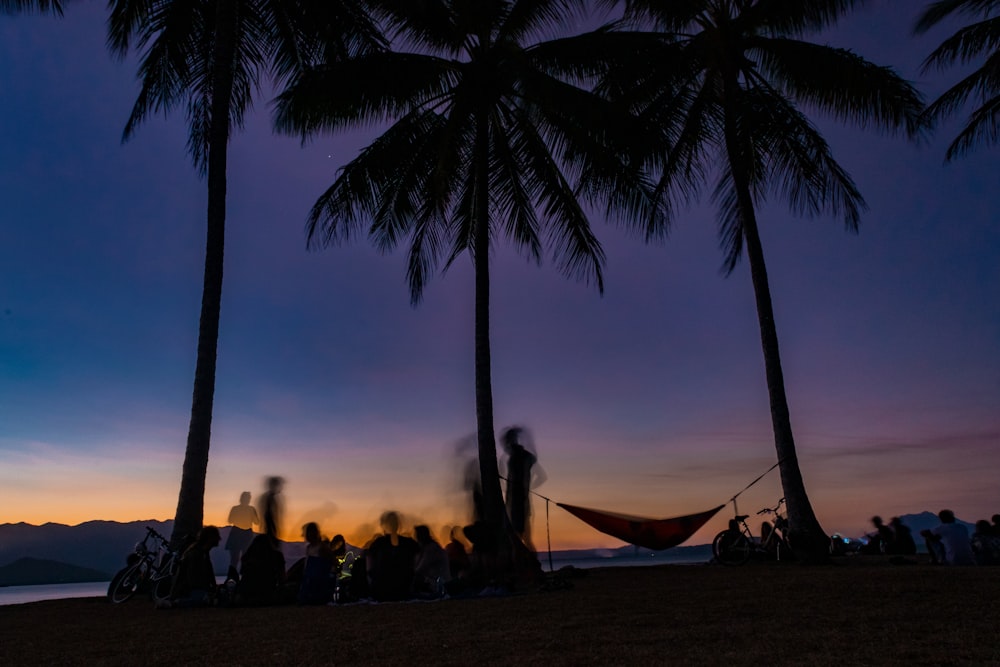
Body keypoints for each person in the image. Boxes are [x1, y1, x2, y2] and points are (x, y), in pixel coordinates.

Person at [501, 426, 546, 550]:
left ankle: (531, 565)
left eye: (507, 441)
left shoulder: (519, 456)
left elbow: (542, 476)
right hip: (517, 501)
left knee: (520, 538)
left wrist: (525, 487)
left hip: (519, 502)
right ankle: (531, 565)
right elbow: (541, 476)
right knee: (523, 538)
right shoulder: (521, 456)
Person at [366, 511, 419, 602]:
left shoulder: (379, 543)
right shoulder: (408, 543)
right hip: (395, 589)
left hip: (391, 589)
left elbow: (369, 566)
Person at [164, 525, 221, 608]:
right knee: (201, 599)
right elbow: (192, 580)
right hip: (186, 591)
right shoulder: (195, 554)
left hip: (193, 589)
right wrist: (207, 590)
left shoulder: (203, 552)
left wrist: (214, 588)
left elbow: (209, 572)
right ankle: (175, 603)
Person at [237, 533, 286, 605]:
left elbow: (242, 574)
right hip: (267, 592)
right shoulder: (277, 556)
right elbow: (281, 578)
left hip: (247, 593)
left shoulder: (247, 557)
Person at [296, 522, 334, 604]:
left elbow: (331, 563)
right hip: (309, 580)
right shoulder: (309, 548)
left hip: (319, 580)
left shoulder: (322, 547)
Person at [224, 491, 259, 575]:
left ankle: (234, 577)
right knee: (242, 558)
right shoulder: (251, 509)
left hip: (238, 533)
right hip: (244, 534)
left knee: (235, 559)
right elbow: (257, 522)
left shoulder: (236, 509)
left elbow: (230, 520)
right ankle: (241, 577)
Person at [413, 525, 451, 598]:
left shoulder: (431, 549)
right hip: (436, 583)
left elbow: (419, 569)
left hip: (439, 585)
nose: (416, 538)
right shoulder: (428, 548)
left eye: (417, 535)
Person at [259, 476, 285, 547]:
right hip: (270, 531)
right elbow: (269, 516)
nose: (281, 488)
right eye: (279, 485)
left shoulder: (270, 498)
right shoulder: (270, 498)